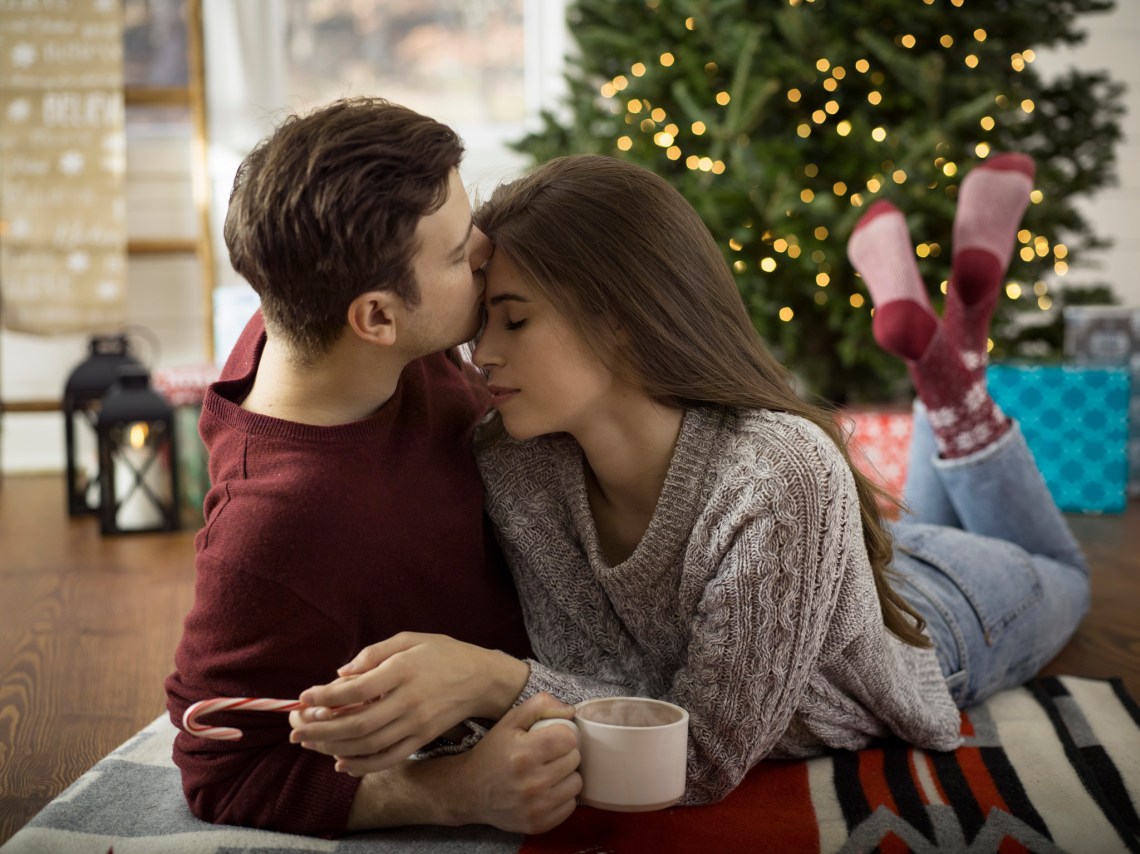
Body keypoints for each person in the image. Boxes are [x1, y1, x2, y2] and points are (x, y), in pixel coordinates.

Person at [290, 152, 1091, 808]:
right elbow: (606, 684)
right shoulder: (517, 465)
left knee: (1064, 573)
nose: (479, 352)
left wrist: (491, 679)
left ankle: (954, 382)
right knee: (896, 525)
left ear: (622, 317)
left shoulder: (780, 474)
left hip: (942, 615)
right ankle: (952, 367)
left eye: (516, 318)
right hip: (826, 566)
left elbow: (697, 756)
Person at [164, 98, 584, 839]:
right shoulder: (277, 530)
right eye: (458, 257)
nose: (487, 248)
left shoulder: (308, 319)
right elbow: (218, 763)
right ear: (378, 319)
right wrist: (449, 791)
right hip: (558, 686)